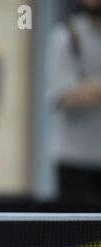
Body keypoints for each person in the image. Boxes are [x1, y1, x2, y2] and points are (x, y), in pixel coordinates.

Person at [48, 0, 101, 204]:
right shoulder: (66, 35)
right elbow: (64, 96)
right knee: (78, 231)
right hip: (73, 157)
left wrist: (88, 87)